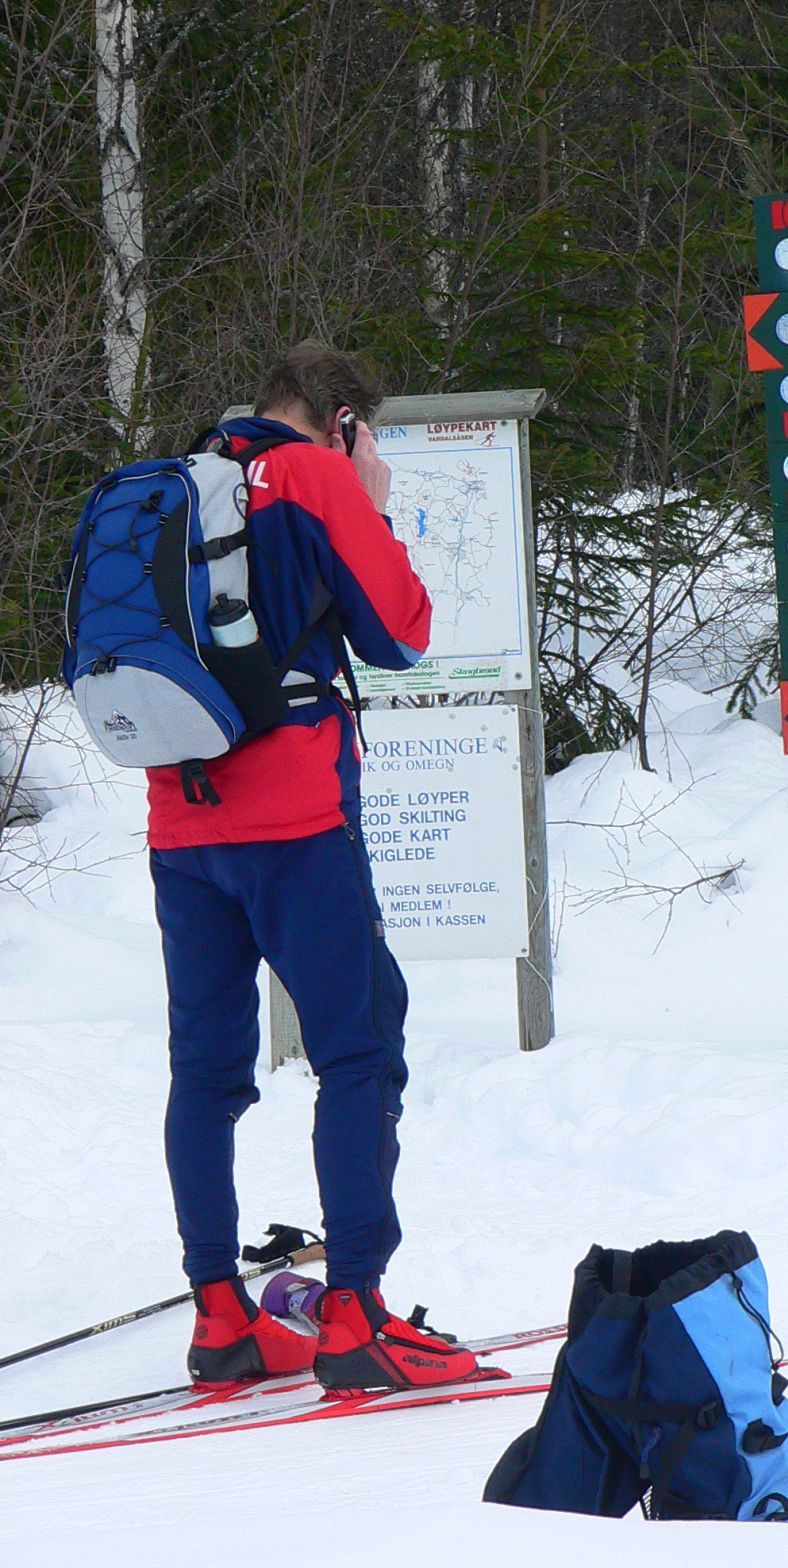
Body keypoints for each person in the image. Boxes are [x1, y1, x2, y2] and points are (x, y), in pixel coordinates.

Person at [149, 341, 481, 1394]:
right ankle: (354, 1316)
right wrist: (370, 501)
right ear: (343, 419)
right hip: (295, 815)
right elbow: (401, 634)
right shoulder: (320, 475)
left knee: (205, 1072)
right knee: (358, 1051)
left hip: (180, 822)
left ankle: (219, 1313)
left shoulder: (178, 479)